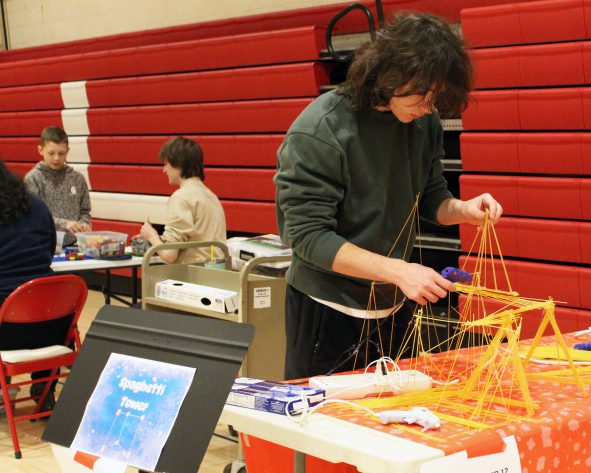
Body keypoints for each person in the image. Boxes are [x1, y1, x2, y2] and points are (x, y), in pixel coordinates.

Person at [275, 12, 503, 380]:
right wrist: (397, 270)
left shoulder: (421, 121)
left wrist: (463, 210)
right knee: (326, 425)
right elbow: (308, 238)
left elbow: (429, 197)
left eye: (436, 98)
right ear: (391, 72)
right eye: (422, 94)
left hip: (393, 306)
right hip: (327, 311)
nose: (429, 107)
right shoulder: (320, 130)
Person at [0, 160, 64, 412]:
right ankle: (44, 388)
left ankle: (3, 389)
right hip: (53, 325)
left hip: (6, 329)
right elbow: (48, 252)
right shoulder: (36, 205)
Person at [138, 136, 227, 264]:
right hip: (216, 273)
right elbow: (195, 239)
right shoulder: (211, 196)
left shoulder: (181, 197)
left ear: (178, 163)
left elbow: (169, 255)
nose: (164, 170)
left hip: (192, 277)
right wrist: (159, 239)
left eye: (166, 164)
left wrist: (151, 236)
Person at [24, 126, 91, 247]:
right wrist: (64, 224)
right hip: (43, 246)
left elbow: (84, 211)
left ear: (68, 151)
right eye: (51, 153)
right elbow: (33, 216)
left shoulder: (77, 179)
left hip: (74, 245)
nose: (56, 158)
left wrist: (84, 223)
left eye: (61, 153)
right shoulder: (33, 179)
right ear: (40, 150)